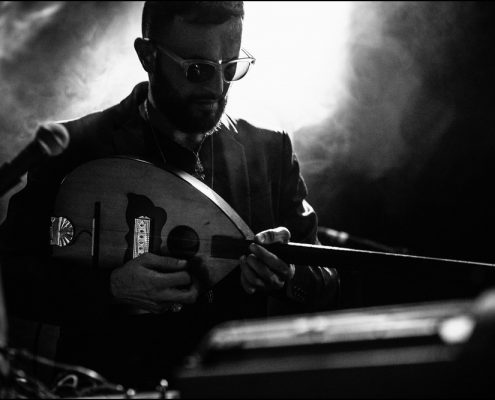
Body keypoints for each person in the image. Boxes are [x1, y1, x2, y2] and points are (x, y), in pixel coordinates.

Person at [0, 1, 339, 390]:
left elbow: (326, 280)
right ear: (149, 56)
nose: (215, 88)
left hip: (229, 388)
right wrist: (107, 289)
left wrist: (287, 274)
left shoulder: (269, 150)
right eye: (197, 70)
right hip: (111, 389)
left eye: (230, 68)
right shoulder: (76, 148)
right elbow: (9, 273)